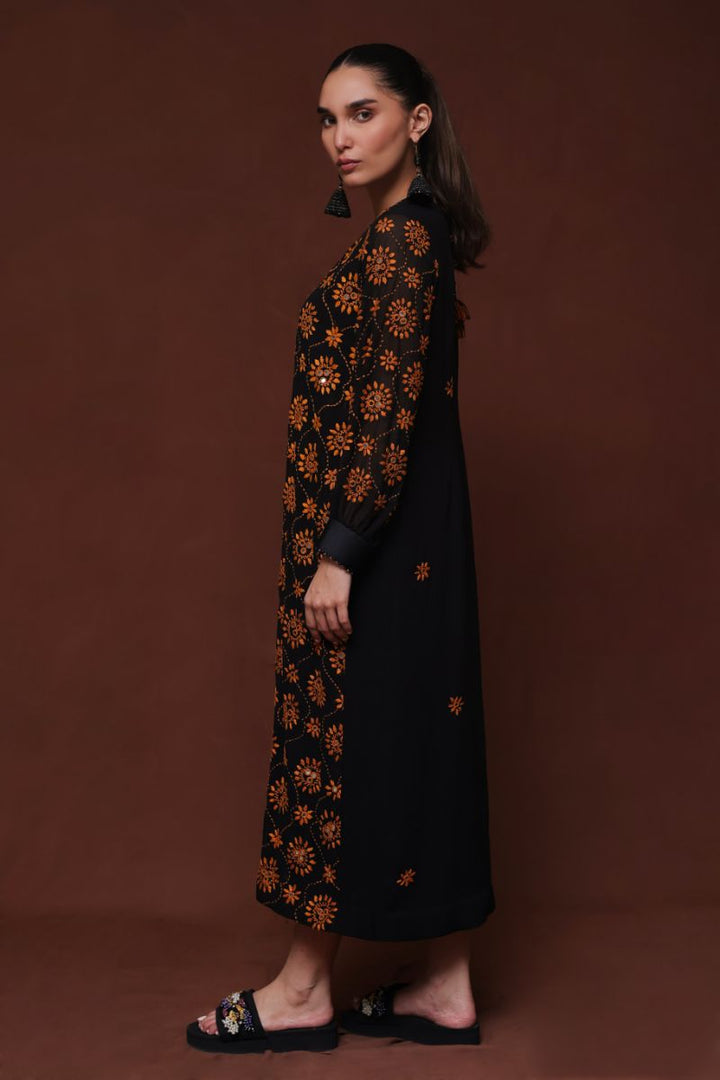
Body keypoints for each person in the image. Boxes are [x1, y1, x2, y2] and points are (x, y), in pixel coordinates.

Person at [186, 42, 496, 1056]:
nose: (339, 138)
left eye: (362, 113)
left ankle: (301, 988)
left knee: (337, 747)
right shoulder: (412, 238)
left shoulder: (404, 243)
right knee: (417, 743)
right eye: (327, 119)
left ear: (417, 121)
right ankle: (444, 985)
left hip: (378, 551)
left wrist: (340, 551)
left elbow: (386, 414)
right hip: (410, 548)